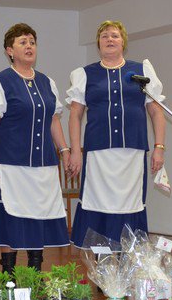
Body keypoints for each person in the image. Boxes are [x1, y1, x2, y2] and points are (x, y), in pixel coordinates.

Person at [0, 23, 70, 273]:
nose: (29, 46)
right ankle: (8, 274)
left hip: (44, 165)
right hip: (10, 164)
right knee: (11, 217)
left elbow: (53, 120)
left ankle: (34, 272)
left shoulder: (47, 83)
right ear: (10, 50)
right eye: (22, 42)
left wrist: (64, 151)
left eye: (32, 42)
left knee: (38, 216)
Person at [66, 20, 166, 248]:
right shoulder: (85, 74)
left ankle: (126, 259)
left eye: (114, 35)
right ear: (98, 43)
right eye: (104, 36)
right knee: (97, 202)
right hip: (98, 153)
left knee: (130, 203)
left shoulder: (141, 71)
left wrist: (159, 148)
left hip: (132, 151)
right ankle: (101, 262)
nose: (109, 39)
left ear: (123, 42)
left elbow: (156, 111)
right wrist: (75, 151)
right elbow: (75, 115)